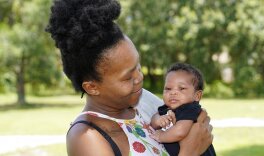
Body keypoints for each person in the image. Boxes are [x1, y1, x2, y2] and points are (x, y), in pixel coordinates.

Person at [46, 0, 213, 155]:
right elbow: (191, 145)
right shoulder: (86, 137)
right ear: (92, 87)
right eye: (127, 78)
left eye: (138, 67)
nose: (139, 78)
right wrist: (190, 152)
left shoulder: (143, 99)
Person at [150, 63, 216, 156]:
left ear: (197, 96)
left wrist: (161, 136)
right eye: (168, 88)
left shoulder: (190, 109)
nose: (173, 92)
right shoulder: (167, 108)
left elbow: (180, 131)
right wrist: (158, 120)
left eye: (181, 88)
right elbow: (154, 118)